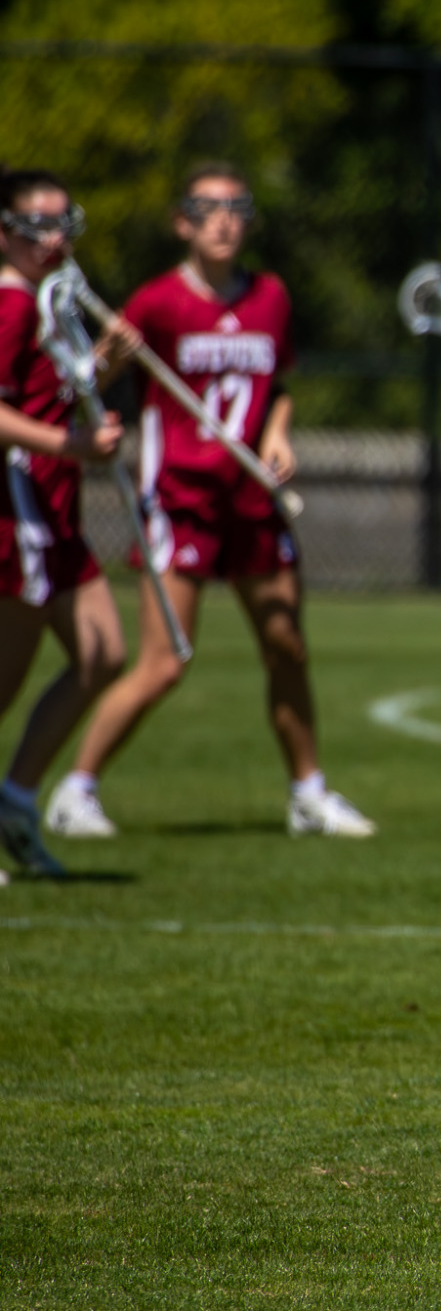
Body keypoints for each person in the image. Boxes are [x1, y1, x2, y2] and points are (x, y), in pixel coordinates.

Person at [44, 163, 373, 841]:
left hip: (251, 497)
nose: (224, 221)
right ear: (182, 223)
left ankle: (308, 792)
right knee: (167, 660)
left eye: (236, 208)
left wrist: (277, 436)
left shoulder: (270, 297)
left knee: (287, 644)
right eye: (207, 209)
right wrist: (110, 355)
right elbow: (85, 385)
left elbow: (277, 386)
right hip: (181, 498)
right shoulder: (158, 301)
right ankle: (75, 790)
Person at [0, 168, 130, 879]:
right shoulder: (11, 306)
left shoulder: (48, 304)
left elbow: (49, 394)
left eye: (62, 224)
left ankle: (16, 800)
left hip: (55, 511)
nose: (54, 240)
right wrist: (71, 446)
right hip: (17, 512)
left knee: (103, 651)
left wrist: (105, 364)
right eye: (37, 227)